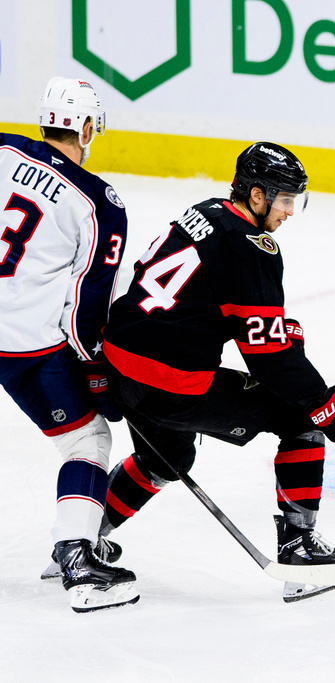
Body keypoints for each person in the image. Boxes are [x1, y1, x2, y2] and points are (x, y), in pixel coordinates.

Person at [100, 142, 335, 602]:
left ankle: (80, 542)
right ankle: (299, 550)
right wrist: (328, 405)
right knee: (301, 419)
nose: (289, 211)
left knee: (165, 459)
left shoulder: (202, 212)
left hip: (121, 370)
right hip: (171, 384)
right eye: (284, 199)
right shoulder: (252, 248)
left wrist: (281, 337)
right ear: (257, 195)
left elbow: (219, 308)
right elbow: (267, 358)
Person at [0, 76, 138, 612]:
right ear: (86, 127)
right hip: (27, 345)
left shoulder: (5, 149)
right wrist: (95, 368)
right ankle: (77, 557)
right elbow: (86, 306)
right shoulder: (100, 202)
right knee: (87, 443)